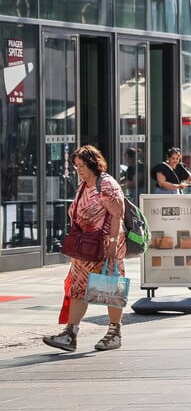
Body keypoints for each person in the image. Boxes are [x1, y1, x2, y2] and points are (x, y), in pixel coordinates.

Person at [43, 145, 126, 352]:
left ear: (93, 163)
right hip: (85, 247)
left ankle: (114, 333)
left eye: (82, 165)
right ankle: (70, 334)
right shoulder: (83, 185)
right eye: (76, 166)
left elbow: (117, 214)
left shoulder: (106, 184)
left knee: (111, 288)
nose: (78, 169)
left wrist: (113, 244)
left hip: (106, 245)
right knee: (78, 289)